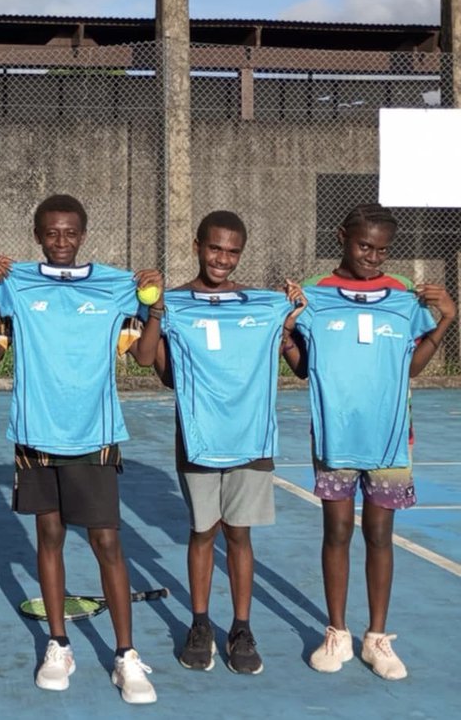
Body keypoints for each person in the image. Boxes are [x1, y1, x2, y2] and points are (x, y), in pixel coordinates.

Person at [0, 193, 158, 704]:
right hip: (36, 435)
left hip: (95, 435)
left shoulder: (117, 284)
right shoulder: (14, 284)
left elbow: (146, 347)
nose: (61, 241)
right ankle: (59, 644)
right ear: (37, 234)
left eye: (70, 232)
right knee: (49, 537)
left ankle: (126, 654)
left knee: (106, 543)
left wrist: (153, 297)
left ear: (83, 235)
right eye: (51, 232)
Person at [285, 203, 455, 681]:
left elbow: (411, 367)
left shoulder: (403, 295)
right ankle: (336, 630)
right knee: (336, 532)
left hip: (390, 439)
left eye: (382, 250)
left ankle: (376, 637)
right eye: (364, 246)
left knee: (380, 535)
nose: (373, 257)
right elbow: (302, 366)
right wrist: (289, 329)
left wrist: (444, 320)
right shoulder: (315, 294)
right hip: (336, 437)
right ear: (341, 235)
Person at [133, 211, 296, 675]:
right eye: (214, 248)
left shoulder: (263, 306)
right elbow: (149, 362)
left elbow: (295, 355)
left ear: (240, 253)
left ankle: (241, 627)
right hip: (198, 438)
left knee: (238, 533)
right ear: (196, 245)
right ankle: (200, 623)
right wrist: (157, 312)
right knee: (203, 532)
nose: (222, 258)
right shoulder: (175, 302)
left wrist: (288, 321)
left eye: (232, 251)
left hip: (251, 438)